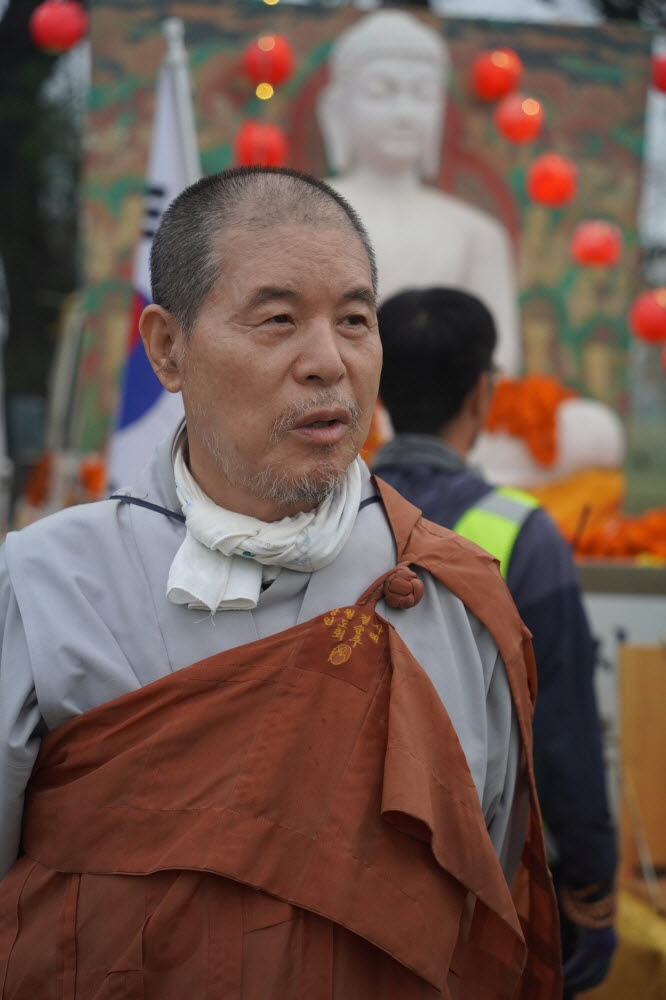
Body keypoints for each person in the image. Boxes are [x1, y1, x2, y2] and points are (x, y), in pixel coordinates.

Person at [0, 168, 561, 999]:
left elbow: (482, 902)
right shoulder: (46, 585)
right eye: (278, 321)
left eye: (356, 321)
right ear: (167, 348)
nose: (329, 363)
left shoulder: (451, 594)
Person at [373, 286, 618, 1000]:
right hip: (483, 878)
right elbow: (562, 729)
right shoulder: (525, 537)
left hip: (340, 862)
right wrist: (590, 878)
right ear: (484, 393)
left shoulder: (327, 517)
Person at [318, 9, 521, 375]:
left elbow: (501, 360)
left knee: (590, 427)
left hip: (447, 410)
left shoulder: (477, 232)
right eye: (382, 92)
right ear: (336, 109)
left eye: (422, 95)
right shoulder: (306, 215)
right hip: (335, 393)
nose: (405, 113)